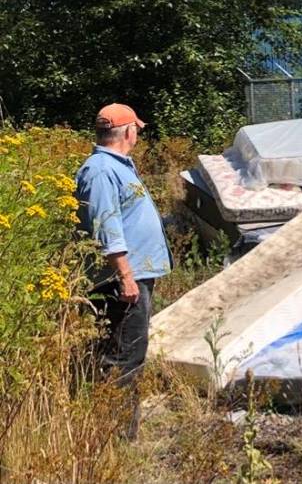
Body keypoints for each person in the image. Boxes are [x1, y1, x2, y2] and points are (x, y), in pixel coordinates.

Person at [75, 103, 172, 438]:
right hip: (121, 279)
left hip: (134, 275)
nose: (137, 136)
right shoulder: (101, 170)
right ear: (128, 131)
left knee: (129, 352)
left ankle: (117, 431)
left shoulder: (115, 166)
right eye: (136, 130)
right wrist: (125, 276)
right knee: (123, 358)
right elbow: (107, 227)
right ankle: (117, 437)